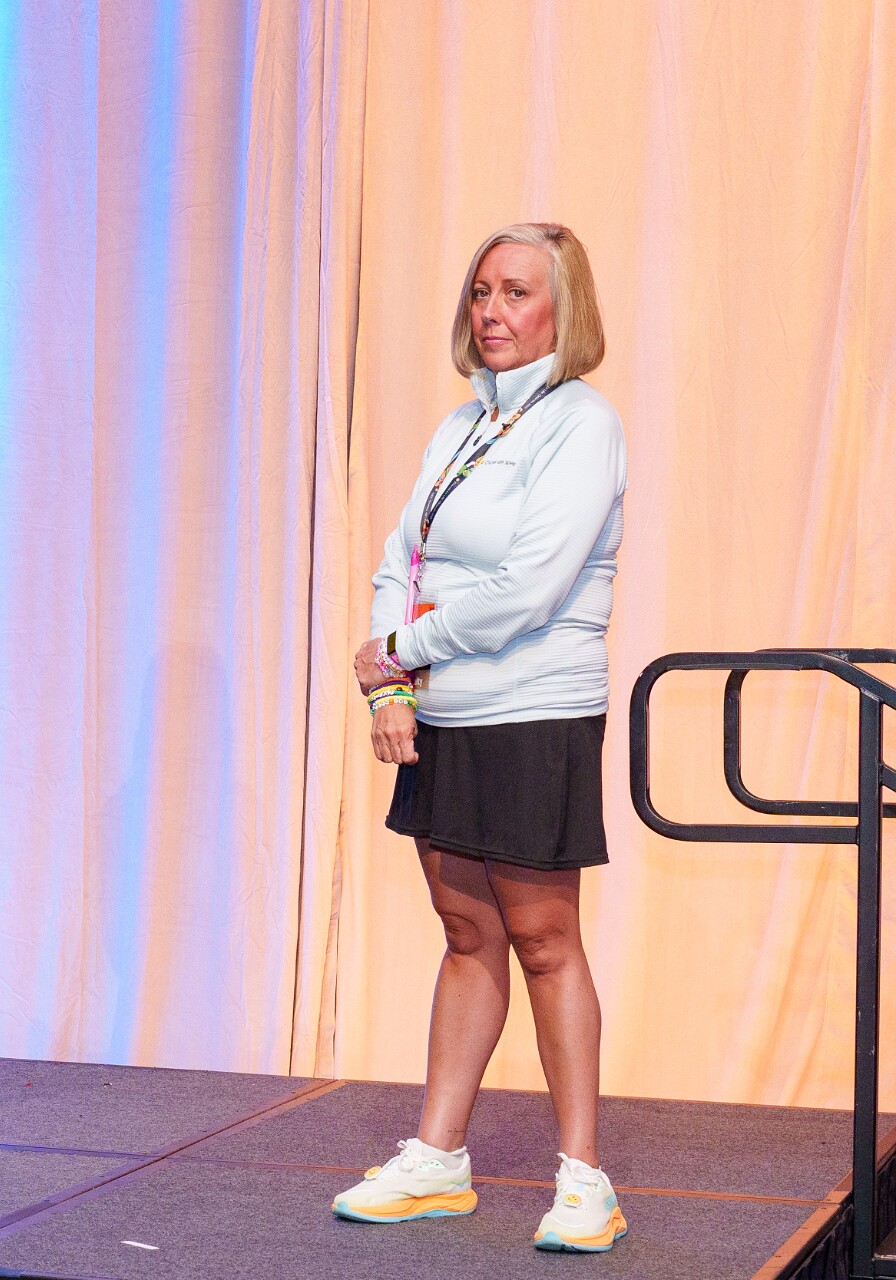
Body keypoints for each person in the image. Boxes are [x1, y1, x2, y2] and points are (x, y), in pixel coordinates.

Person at [331, 223, 629, 1254]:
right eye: (481, 291)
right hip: (448, 713)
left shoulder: (582, 423)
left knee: (544, 942)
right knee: (466, 934)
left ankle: (585, 1180)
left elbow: (528, 588)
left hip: (534, 711)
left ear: (562, 309)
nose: (493, 311)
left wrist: (400, 647)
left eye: (517, 293)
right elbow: (401, 561)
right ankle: (439, 1159)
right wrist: (392, 685)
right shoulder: (462, 425)